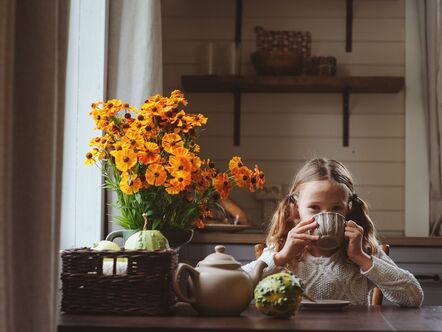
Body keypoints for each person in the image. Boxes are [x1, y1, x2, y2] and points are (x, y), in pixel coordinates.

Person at [242, 158, 423, 306]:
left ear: (348, 210)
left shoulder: (363, 251)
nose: (326, 216)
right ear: (297, 209)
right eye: (314, 207)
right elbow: (237, 288)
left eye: (336, 208)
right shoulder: (281, 249)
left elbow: (414, 297)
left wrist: (361, 257)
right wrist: (280, 258)